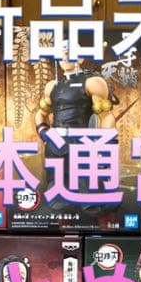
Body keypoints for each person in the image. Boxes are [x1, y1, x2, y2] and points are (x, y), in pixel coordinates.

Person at [34, 41, 117, 213]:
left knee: (89, 199)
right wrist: (44, 133)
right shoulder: (52, 86)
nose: (65, 57)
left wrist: (103, 146)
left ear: (80, 58)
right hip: (55, 144)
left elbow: (107, 116)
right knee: (57, 200)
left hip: (81, 144)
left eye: (69, 52)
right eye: (62, 53)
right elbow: (41, 114)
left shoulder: (92, 83)